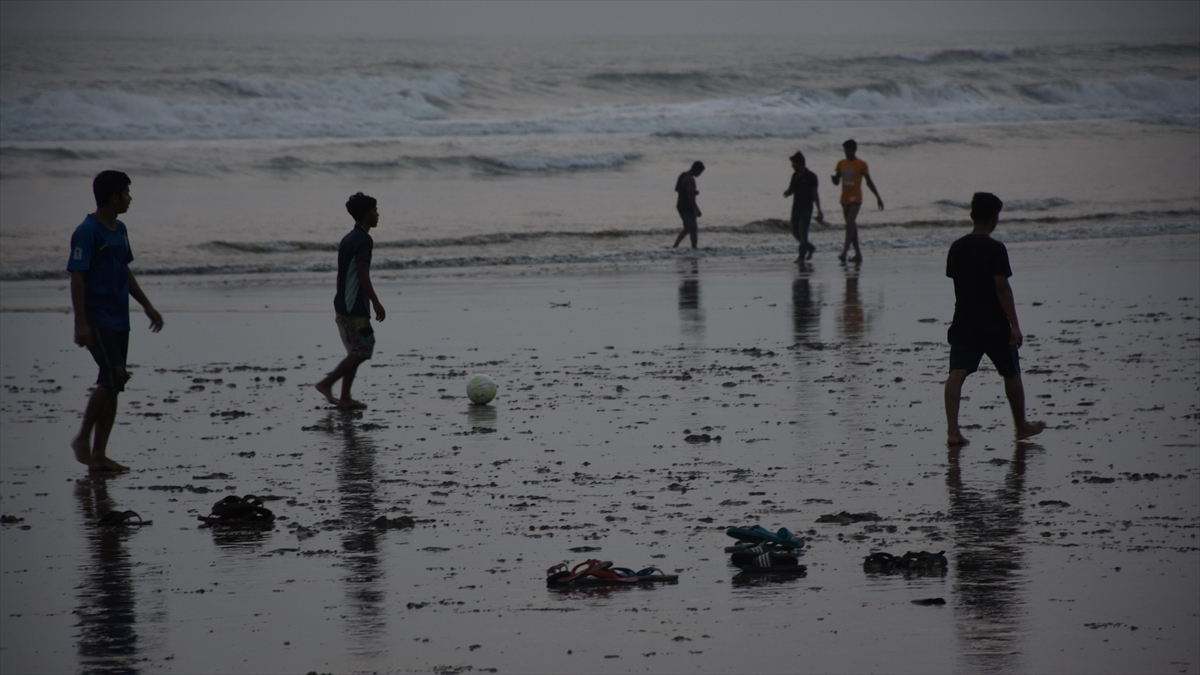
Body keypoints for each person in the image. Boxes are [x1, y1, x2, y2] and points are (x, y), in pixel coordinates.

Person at [68, 170, 164, 472]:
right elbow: (77, 277)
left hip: (119, 316)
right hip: (97, 317)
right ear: (114, 197)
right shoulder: (87, 231)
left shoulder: (119, 229)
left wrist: (146, 305)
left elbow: (124, 270)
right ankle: (82, 438)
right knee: (114, 377)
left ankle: (99, 455)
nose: (130, 198)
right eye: (127, 193)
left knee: (114, 382)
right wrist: (80, 323)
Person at [943, 192, 1045, 446]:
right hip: (993, 322)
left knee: (956, 373)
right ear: (994, 217)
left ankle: (953, 431)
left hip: (964, 320)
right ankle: (1021, 427)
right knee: (1010, 372)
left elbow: (958, 282)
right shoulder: (995, 249)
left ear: (972, 215)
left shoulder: (957, 247)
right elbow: (1002, 288)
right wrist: (1015, 324)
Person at [315, 192, 386, 409]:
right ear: (366, 214)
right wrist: (375, 301)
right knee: (365, 346)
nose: (377, 215)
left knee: (355, 350)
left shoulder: (348, 238)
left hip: (344, 303)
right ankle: (326, 383)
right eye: (374, 211)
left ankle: (345, 397)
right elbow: (362, 273)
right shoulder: (364, 239)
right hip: (353, 306)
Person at [830, 139, 882, 263]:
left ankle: (844, 252)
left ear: (854, 150)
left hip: (856, 198)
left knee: (849, 225)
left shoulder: (861, 164)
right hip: (844, 199)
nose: (846, 152)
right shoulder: (841, 163)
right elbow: (837, 181)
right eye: (845, 150)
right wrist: (834, 180)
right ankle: (858, 254)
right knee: (852, 227)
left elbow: (869, 181)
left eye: (848, 150)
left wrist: (878, 197)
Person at [783, 151, 824, 263]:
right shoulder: (795, 176)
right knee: (795, 232)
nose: (792, 166)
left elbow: (815, 194)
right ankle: (810, 248)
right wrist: (787, 192)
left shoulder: (812, 176)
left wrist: (819, 210)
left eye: (793, 163)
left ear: (799, 163)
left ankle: (801, 257)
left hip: (806, 209)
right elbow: (791, 189)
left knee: (802, 231)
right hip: (795, 208)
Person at [672, 161, 705, 249]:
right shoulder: (690, 179)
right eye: (700, 172)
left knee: (687, 228)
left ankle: (675, 245)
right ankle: (694, 248)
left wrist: (693, 191)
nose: (699, 174)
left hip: (680, 205)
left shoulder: (682, 175)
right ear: (695, 169)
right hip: (687, 207)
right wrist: (697, 209)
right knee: (693, 230)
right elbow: (690, 197)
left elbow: (678, 189)